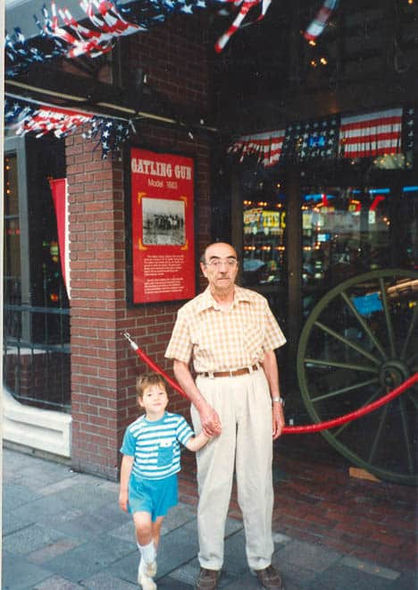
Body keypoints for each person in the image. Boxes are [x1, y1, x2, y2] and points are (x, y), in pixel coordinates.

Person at [165, 242, 287, 590]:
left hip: (253, 386)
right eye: (215, 262)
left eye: (230, 262)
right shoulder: (191, 311)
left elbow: (269, 355)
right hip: (212, 391)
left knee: (258, 479)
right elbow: (179, 365)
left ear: (237, 268)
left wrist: (276, 402)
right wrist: (203, 406)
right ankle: (210, 562)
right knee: (213, 482)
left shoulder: (256, 303)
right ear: (204, 269)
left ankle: (262, 560)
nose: (223, 269)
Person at [119, 373, 212, 590]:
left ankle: (145, 574)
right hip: (141, 487)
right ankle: (149, 560)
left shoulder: (176, 422)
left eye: (161, 393)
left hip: (165, 486)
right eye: (150, 394)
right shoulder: (135, 430)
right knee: (142, 526)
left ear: (168, 398)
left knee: (154, 528)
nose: (157, 398)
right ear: (141, 401)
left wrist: (208, 433)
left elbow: (192, 444)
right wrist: (123, 491)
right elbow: (127, 461)